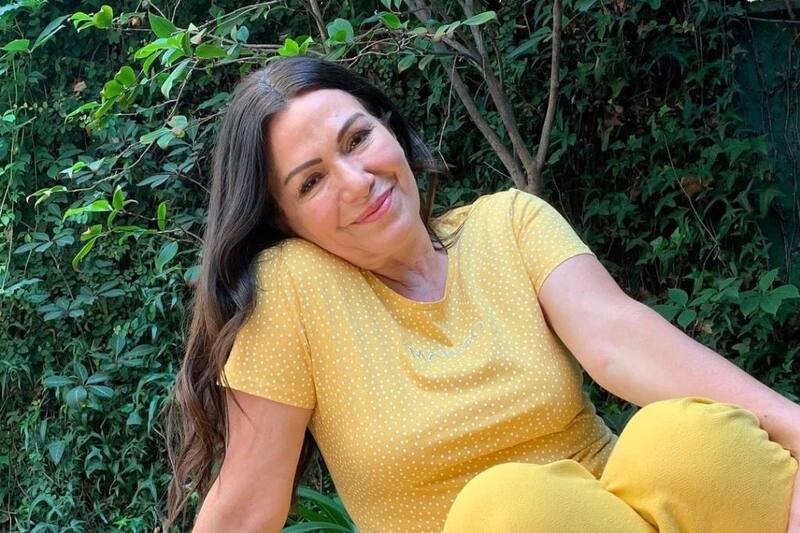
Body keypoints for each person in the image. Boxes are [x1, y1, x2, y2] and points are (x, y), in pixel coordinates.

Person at [165, 56, 799, 532]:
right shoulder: (293, 289)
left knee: (686, 438)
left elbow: (619, 339)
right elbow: (245, 507)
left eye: (357, 139)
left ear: (390, 129)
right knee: (514, 509)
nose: (357, 181)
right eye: (311, 182)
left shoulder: (508, 223)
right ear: (283, 221)